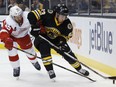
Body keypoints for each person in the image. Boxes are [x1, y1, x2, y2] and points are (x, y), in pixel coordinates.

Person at [27, 4, 89, 80]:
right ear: (57, 14)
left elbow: (66, 36)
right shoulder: (48, 14)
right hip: (42, 37)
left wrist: (62, 42)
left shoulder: (67, 24)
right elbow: (31, 14)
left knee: (68, 53)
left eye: (65, 16)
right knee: (44, 49)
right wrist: (34, 26)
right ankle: (50, 70)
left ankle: (79, 68)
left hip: (57, 40)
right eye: (62, 16)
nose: (64, 18)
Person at [0, 6, 41, 78]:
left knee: (30, 51)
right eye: (17, 17)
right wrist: (6, 39)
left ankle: (34, 62)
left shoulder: (27, 15)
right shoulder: (9, 21)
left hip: (24, 36)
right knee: (12, 52)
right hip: (12, 37)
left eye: (20, 15)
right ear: (12, 17)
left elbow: (40, 16)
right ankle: (16, 67)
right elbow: (4, 32)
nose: (19, 18)